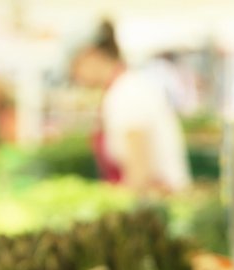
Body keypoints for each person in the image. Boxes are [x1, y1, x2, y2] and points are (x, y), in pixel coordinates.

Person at [71, 21, 191, 195]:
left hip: (159, 199)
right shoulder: (122, 89)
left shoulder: (127, 93)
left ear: (91, 55)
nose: (76, 76)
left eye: (76, 66)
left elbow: (139, 172)